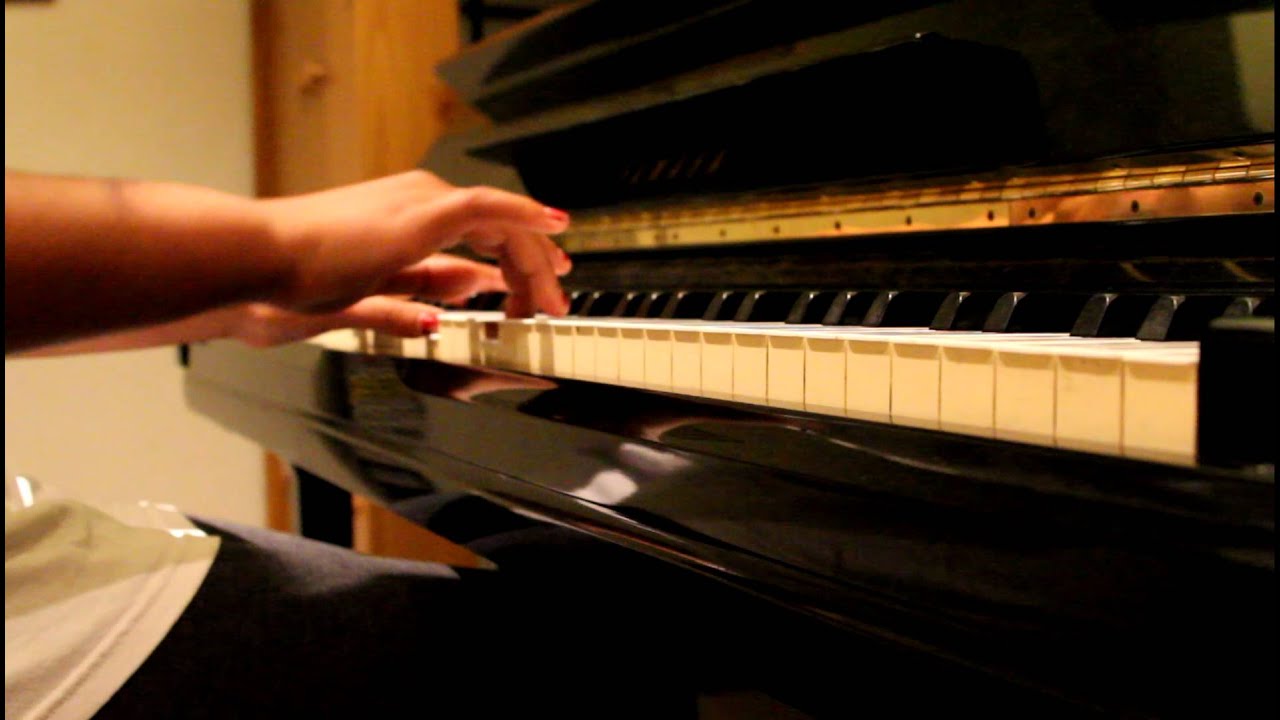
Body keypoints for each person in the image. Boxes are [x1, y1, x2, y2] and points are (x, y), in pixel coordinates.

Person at [5, 169, 771, 719]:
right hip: (45, 650)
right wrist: (284, 243)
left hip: (44, 584)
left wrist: (237, 306)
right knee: (612, 652)